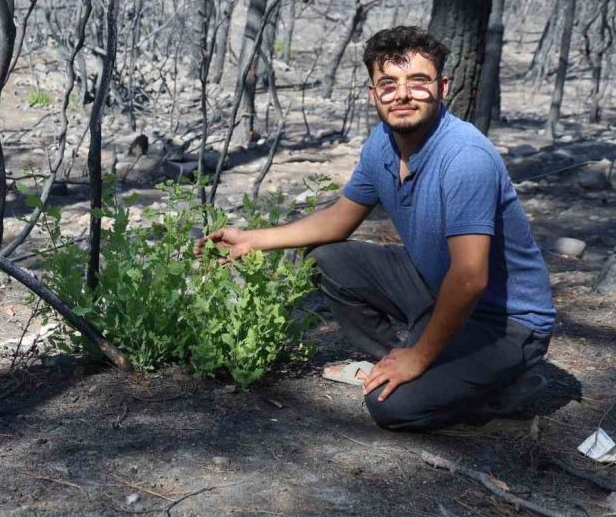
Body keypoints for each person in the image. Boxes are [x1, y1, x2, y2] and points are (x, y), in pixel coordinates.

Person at [197, 26, 556, 431]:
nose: (402, 94)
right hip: (436, 286)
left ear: (442, 86)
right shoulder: (382, 142)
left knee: (393, 407)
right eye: (388, 83)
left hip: (505, 321)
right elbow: (339, 219)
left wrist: (419, 357)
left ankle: (493, 383)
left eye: (418, 81)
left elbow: (471, 277)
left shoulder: (465, 157)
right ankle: (405, 360)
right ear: (373, 93)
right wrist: (253, 239)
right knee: (326, 260)